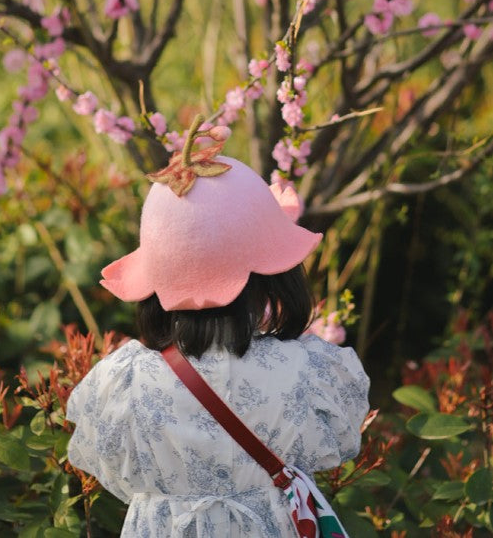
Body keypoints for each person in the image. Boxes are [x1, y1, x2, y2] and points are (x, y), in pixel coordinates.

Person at [66, 118, 370, 537]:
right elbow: (340, 442)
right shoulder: (307, 372)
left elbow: (111, 471)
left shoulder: (124, 383)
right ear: (272, 277)